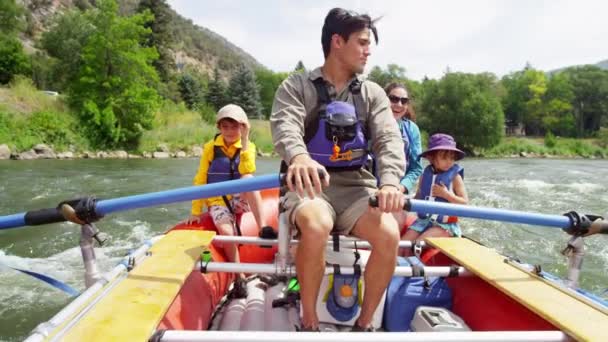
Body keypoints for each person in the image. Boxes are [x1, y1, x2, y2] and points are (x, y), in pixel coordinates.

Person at [270, 8, 405, 332]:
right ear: (337, 42)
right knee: (316, 226)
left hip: (357, 187)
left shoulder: (372, 94)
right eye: (361, 42)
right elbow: (285, 126)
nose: (367, 50)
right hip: (310, 186)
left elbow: (388, 139)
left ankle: (364, 324)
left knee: (389, 234)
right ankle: (310, 319)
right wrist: (299, 157)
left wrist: (389, 182)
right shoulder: (296, 86)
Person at [187, 104, 275, 271]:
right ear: (219, 128)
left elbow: (247, 170)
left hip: (239, 198)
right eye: (225, 127)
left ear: (243, 127)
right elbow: (201, 178)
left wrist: (245, 139)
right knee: (227, 234)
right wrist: (196, 210)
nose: (229, 131)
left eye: (235, 127)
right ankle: (238, 275)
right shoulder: (210, 148)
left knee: (248, 178)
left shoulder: (248, 146)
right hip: (218, 201)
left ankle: (263, 227)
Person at [402, 133, 469, 253]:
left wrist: (446, 195)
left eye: (452, 158)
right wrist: (405, 203)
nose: (449, 161)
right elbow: (418, 197)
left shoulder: (455, 177)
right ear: (431, 158)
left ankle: (415, 267)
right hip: (423, 222)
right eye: (444, 157)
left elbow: (465, 203)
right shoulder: (425, 175)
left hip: (445, 226)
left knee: (418, 244)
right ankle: (397, 267)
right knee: (403, 244)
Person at [385, 82, 423, 232]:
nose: (399, 104)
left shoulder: (412, 129)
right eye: (393, 99)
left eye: (404, 101)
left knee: (395, 221)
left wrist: (399, 188)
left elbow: (416, 168)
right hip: (369, 190)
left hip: (397, 192)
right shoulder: (367, 124)